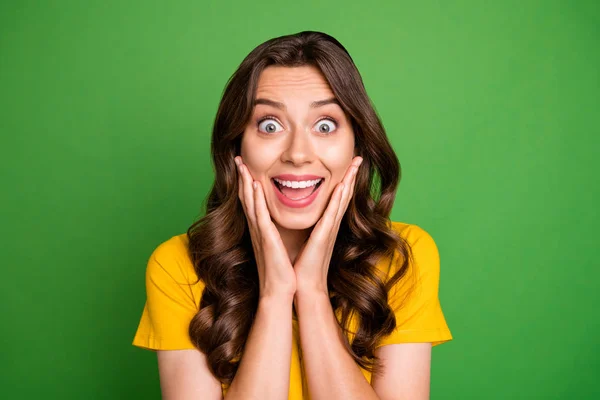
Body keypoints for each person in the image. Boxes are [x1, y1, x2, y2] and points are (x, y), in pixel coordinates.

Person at [132, 31, 452, 400]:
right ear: (236, 146)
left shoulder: (402, 257)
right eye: (270, 125)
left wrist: (312, 292)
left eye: (325, 125)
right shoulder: (177, 267)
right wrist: (275, 295)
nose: (298, 154)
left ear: (356, 145)